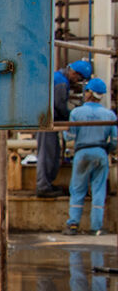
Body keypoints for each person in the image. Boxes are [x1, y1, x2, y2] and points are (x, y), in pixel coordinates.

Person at [63, 77, 116, 235]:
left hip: (82, 153)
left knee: (78, 189)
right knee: (99, 190)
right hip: (100, 152)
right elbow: (114, 140)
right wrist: (109, 149)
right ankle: (96, 227)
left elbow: (69, 137)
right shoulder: (109, 115)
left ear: (88, 93)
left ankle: (73, 224)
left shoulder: (76, 113)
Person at [36, 59, 93, 197]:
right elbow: (60, 106)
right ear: (74, 73)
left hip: (45, 120)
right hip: (47, 122)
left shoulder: (58, 77)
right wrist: (71, 117)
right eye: (79, 78)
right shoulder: (61, 83)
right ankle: (43, 186)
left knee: (52, 151)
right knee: (47, 154)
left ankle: (47, 184)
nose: (77, 81)